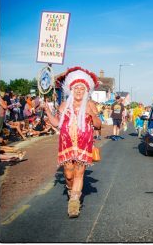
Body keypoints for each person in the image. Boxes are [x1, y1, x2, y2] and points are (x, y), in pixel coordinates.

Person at [43, 66, 101, 218]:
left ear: (86, 91)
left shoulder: (90, 105)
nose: (79, 91)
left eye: (82, 88)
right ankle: (70, 190)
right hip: (66, 144)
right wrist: (48, 112)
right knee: (69, 174)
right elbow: (56, 123)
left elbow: (98, 125)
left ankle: (74, 202)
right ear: (71, 89)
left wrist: (92, 115)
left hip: (84, 143)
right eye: (76, 88)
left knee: (80, 172)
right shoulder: (64, 105)